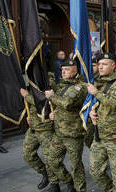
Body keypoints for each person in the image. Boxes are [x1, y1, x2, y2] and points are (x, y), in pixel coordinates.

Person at [87, 53, 116, 192]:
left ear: (113, 66)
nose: (100, 67)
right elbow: (93, 103)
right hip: (99, 136)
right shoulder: (97, 82)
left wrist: (96, 93)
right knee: (95, 171)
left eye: (104, 64)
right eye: (99, 64)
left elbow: (113, 103)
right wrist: (91, 111)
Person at [45, 59, 87, 192]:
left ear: (75, 71)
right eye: (62, 69)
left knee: (75, 166)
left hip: (73, 134)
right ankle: (68, 181)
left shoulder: (80, 87)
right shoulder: (62, 85)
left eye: (67, 69)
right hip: (59, 133)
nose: (63, 72)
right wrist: (54, 113)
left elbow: (67, 103)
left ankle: (80, 189)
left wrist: (52, 96)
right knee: (52, 160)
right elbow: (60, 106)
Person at [20, 88, 72, 192]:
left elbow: (43, 99)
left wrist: (27, 96)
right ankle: (46, 174)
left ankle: (58, 182)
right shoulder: (30, 81)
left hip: (46, 128)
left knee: (49, 159)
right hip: (33, 128)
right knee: (28, 155)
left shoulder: (46, 78)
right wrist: (29, 116)